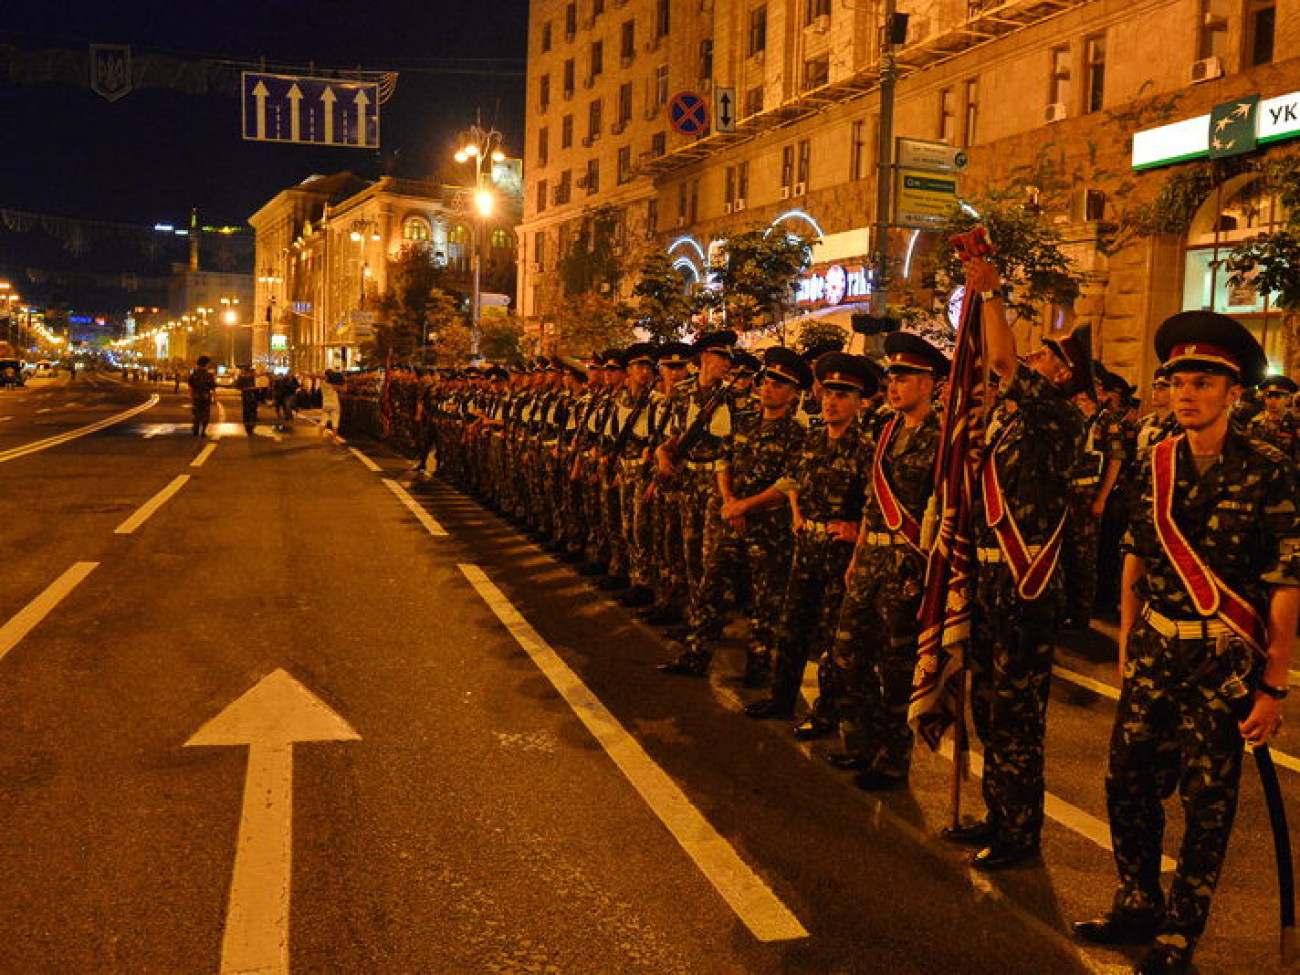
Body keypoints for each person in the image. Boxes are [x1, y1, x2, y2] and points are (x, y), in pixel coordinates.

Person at [1075, 311, 1299, 975]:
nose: (1185, 393)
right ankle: (1137, 898)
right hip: (1154, 650)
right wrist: (1124, 645)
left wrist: (1273, 686)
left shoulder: (1269, 467)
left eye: (1203, 381)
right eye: (1176, 381)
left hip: (1221, 661)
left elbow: (1287, 582)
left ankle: (1181, 926)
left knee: (1209, 801)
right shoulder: (1156, 461)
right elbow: (1137, 558)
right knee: (1128, 784)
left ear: (1234, 392)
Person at [942, 257, 1086, 871]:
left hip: (1028, 584)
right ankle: (997, 812)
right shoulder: (1010, 421)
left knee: (1017, 717)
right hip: (993, 575)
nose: (1036, 360)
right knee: (987, 706)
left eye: (1049, 355)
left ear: (1069, 374)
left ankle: (1020, 831)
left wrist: (992, 295)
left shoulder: (1058, 417)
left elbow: (1002, 361)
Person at [824, 332, 947, 790]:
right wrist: (858, 555)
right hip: (872, 557)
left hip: (907, 566)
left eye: (905, 376)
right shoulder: (886, 430)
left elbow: (949, 513)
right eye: (892, 376)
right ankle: (861, 741)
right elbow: (871, 503)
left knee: (896, 667)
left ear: (929, 383)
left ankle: (893, 759)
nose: (894, 385)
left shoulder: (941, 439)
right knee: (849, 653)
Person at [743, 351, 877, 737]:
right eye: (828, 392)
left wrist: (857, 534)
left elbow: (872, 502)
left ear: (859, 403)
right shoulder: (813, 439)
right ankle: (781, 697)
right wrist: (797, 512)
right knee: (792, 626)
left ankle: (826, 713)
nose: (832, 401)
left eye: (843, 395)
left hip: (839, 555)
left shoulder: (864, 447)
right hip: (807, 546)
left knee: (833, 638)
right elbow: (793, 480)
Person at [659, 346, 811, 683]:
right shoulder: (744, 422)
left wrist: (745, 506)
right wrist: (729, 501)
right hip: (732, 518)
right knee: (712, 586)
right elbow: (723, 461)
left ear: (793, 394)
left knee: (765, 599)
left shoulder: (797, 434)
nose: (768, 388)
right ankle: (697, 654)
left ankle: (758, 667)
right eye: (767, 381)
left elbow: (789, 483)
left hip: (769, 528)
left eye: (779, 384)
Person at [1247, 374, 1298, 461]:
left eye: (1278, 397)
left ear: (1288, 399)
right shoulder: (1256, 422)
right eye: (1268, 396)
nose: (1272, 401)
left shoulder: (1295, 423)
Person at [187, 355, 217, 437]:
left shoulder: (194, 374)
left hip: (196, 396)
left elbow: (190, 386)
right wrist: (215, 398)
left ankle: (196, 429)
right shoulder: (209, 375)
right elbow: (213, 387)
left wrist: (192, 395)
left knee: (196, 413)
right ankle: (203, 431)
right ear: (206, 364)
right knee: (205, 414)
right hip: (206, 397)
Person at [234, 365, 259, 435]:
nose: (253, 374)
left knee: (254, 413)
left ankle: (252, 426)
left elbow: (256, 387)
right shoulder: (242, 379)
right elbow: (238, 387)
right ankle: (248, 428)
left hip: (254, 398)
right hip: (247, 398)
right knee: (247, 413)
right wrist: (249, 388)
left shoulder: (253, 379)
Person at [320, 370, 342, 441]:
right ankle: (334, 439)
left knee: (323, 421)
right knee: (335, 422)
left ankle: (319, 437)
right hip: (334, 404)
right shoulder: (334, 384)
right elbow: (341, 388)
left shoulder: (322, 383)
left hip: (325, 404)